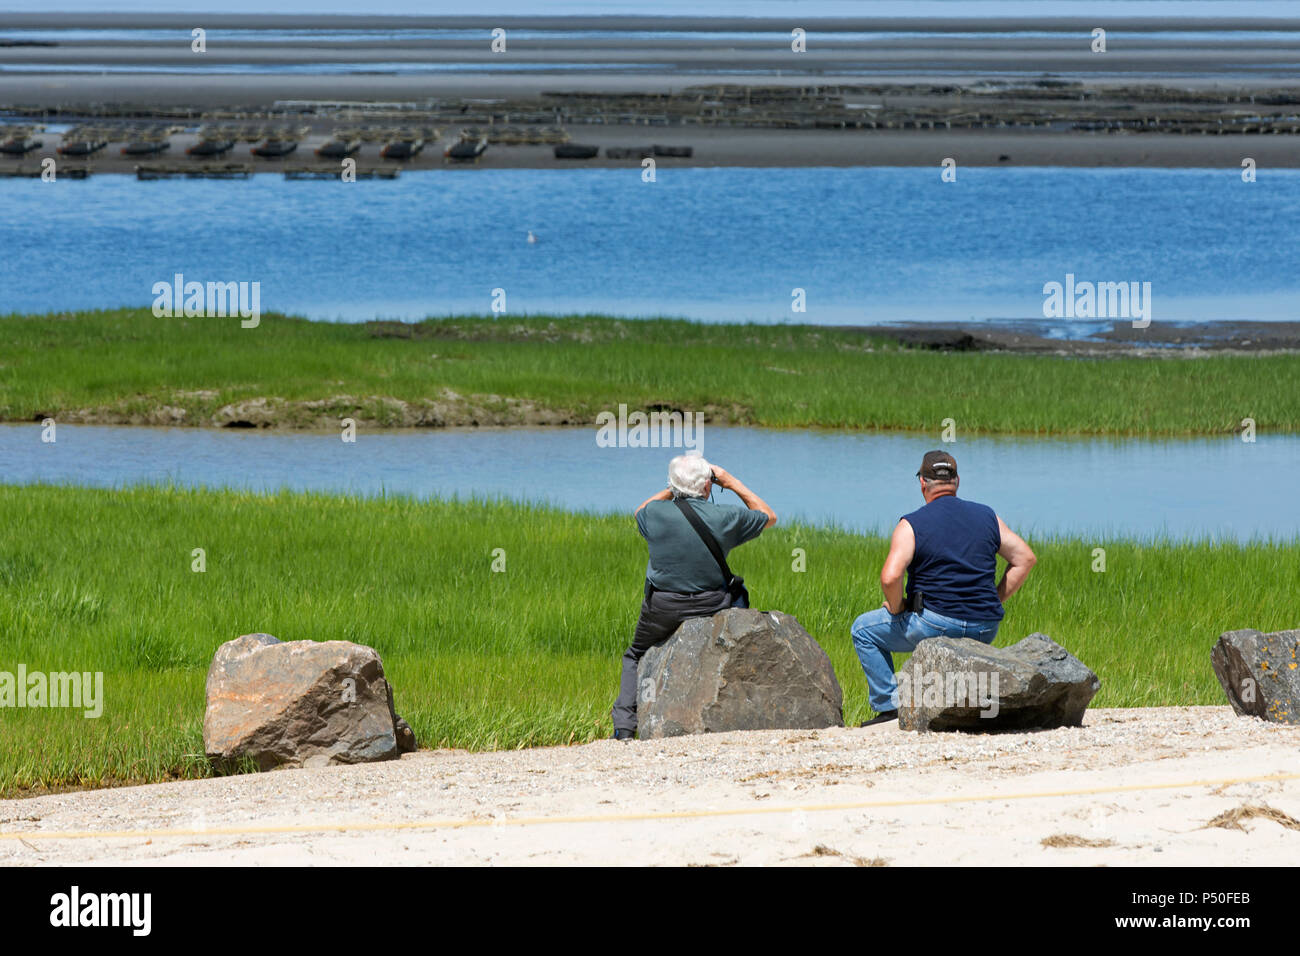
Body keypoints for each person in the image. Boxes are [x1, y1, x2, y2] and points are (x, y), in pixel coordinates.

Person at [850, 450, 1036, 726]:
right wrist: (993, 600)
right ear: (957, 481)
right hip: (985, 628)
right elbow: (1025, 559)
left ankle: (890, 707)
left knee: (863, 630)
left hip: (933, 625)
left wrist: (897, 607)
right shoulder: (988, 516)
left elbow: (890, 578)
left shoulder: (911, 524)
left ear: (922, 483)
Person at [611, 453, 777, 740]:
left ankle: (624, 728)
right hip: (713, 604)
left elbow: (640, 509)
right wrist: (730, 481)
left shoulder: (654, 514)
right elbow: (769, 516)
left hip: (663, 606)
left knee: (635, 656)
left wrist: (673, 488)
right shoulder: (726, 516)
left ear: (673, 486)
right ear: (708, 486)